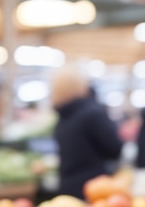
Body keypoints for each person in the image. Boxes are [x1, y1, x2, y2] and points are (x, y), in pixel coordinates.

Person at [52, 67, 123, 198]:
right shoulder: (93, 114)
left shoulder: (62, 118)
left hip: (66, 188)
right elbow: (115, 148)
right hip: (94, 190)